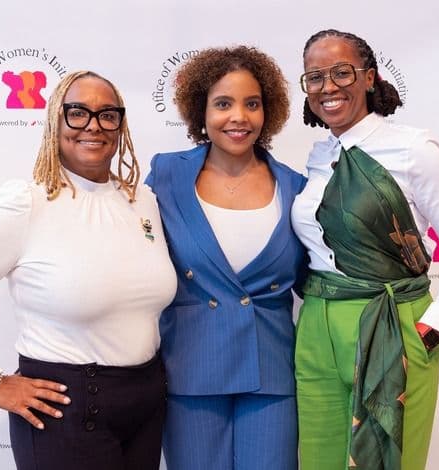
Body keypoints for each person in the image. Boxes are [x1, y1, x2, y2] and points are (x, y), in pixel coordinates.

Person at [0, 70, 177, 470]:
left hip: (145, 403)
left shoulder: (141, 200)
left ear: (120, 126)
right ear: (55, 119)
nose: (93, 125)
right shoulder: (27, 202)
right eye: (78, 113)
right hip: (65, 410)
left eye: (108, 115)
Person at [291, 30, 439, 470]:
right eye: (314, 77)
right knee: (318, 460)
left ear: (369, 78)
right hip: (316, 326)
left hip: (391, 322)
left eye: (341, 72)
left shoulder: (413, 149)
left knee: (387, 462)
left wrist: (433, 327)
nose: (328, 87)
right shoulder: (319, 155)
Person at [145, 46, 306, 470]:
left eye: (252, 104)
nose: (239, 117)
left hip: (271, 372)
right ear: (200, 111)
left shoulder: (297, 187)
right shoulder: (165, 176)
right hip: (191, 368)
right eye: (223, 104)